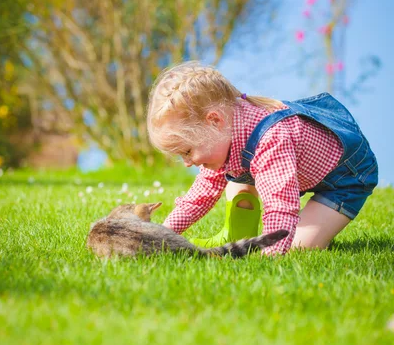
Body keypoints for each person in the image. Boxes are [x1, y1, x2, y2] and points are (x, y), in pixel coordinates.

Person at [147, 62, 378, 256]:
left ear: (214, 121)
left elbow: (281, 205)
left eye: (187, 151)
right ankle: (240, 235)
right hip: (294, 168)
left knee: (298, 248)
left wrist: (271, 255)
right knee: (230, 169)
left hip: (345, 178)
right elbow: (199, 195)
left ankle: (301, 235)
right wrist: (161, 236)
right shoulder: (224, 130)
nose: (187, 163)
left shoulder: (271, 139)